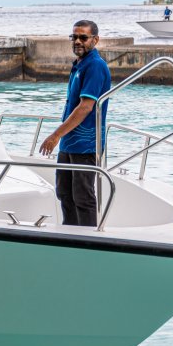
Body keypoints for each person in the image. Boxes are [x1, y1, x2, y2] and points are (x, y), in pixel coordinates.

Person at [39, 21, 111, 227]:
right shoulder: (79, 64)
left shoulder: (95, 66)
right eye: (74, 37)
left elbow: (85, 107)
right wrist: (61, 137)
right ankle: (69, 233)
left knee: (83, 196)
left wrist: (54, 136)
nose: (78, 41)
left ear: (95, 40)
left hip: (86, 143)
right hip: (70, 142)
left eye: (83, 37)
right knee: (64, 193)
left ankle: (87, 243)